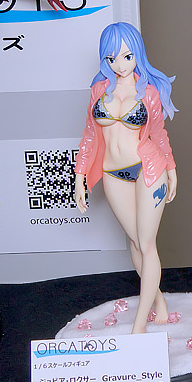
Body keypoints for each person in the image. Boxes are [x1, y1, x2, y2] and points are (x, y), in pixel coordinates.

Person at [74, 22, 178, 334]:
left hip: (148, 169)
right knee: (134, 240)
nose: (120, 65)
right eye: (112, 58)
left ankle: (139, 325)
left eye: (127, 56)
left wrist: (172, 170)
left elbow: (159, 134)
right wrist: (80, 177)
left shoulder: (149, 92)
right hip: (112, 173)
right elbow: (89, 135)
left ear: (138, 55)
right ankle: (157, 300)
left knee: (146, 243)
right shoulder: (98, 90)